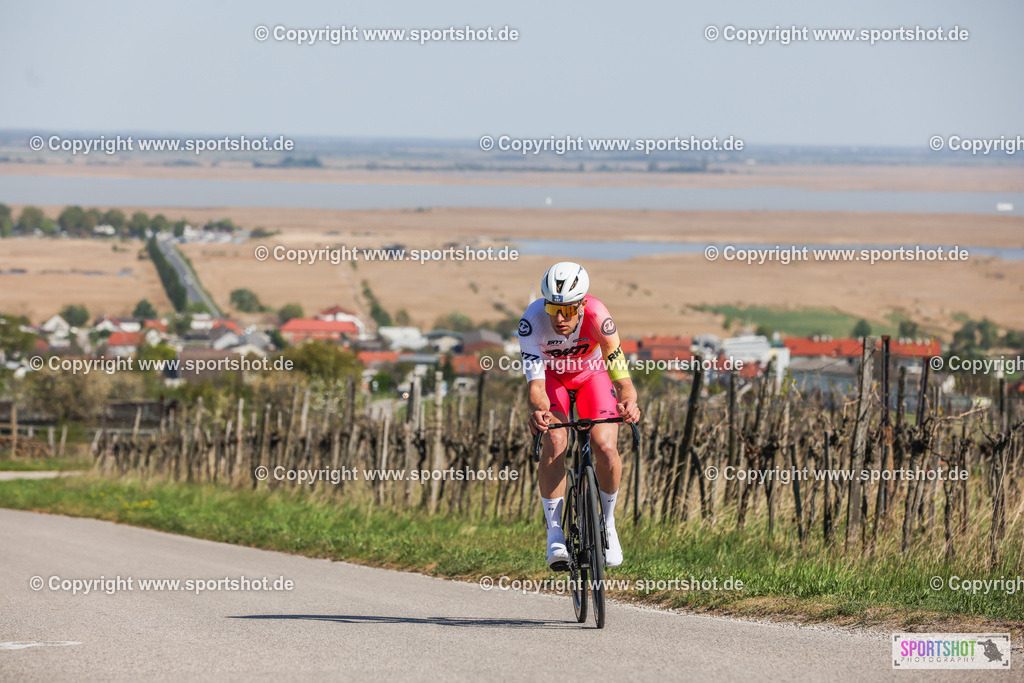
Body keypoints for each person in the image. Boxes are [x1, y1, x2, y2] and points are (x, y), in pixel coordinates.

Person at [518, 261, 640, 570]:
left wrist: (629, 400)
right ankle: (555, 533)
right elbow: (535, 385)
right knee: (556, 441)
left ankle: (609, 525)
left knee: (606, 447)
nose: (559, 318)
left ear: (582, 305)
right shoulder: (532, 321)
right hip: (552, 380)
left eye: (569, 310)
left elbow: (620, 373)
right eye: (553, 308)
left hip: (592, 376)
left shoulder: (599, 315)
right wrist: (540, 411)